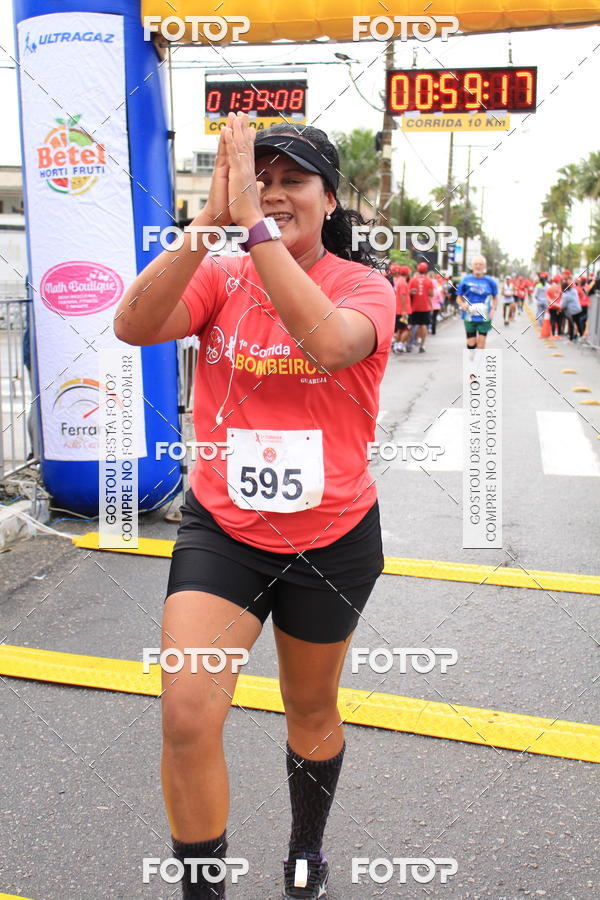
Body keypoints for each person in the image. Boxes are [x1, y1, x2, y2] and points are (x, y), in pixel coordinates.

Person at [114, 112, 395, 900]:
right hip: (225, 532)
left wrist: (251, 230)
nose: (272, 194)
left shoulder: (366, 287)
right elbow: (132, 324)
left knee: (310, 708)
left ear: (330, 198)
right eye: (259, 179)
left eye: (292, 181)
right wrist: (209, 223)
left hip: (331, 537)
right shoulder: (220, 270)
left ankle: (306, 852)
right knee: (188, 714)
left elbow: (332, 344)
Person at [456, 255, 498, 351]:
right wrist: (462, 304)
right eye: (476, 264)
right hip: (469, 316)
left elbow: (495, 298)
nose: (478, 266)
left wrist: (493, 309)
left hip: (484, 316)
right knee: (471, 343)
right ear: (472, 266)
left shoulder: (490, 281)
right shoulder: (465, 280)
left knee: (481, 344)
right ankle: (472, 361)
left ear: (484, 266)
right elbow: (458, 298)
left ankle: (477, 365)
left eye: (480, 264)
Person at [408, 261, 433, 353]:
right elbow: (431, 294)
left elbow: (408, 292)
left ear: (418, 269)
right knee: (423, 326)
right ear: (426, 270)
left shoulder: (412, 280)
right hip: (425, 307)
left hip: (414, 307)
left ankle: (409, 344)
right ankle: (422, 345)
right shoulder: (429, 280)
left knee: (412, 325)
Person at [392, 264, 411, 353]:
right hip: (403, 310)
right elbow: (402, 296)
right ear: (407, 273)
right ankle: (399, 344)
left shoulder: (398, 281)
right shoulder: (403, 282)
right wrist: (404, 310)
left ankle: (397, 345)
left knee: (399, 329)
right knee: (406, 329)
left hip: (398, 309)